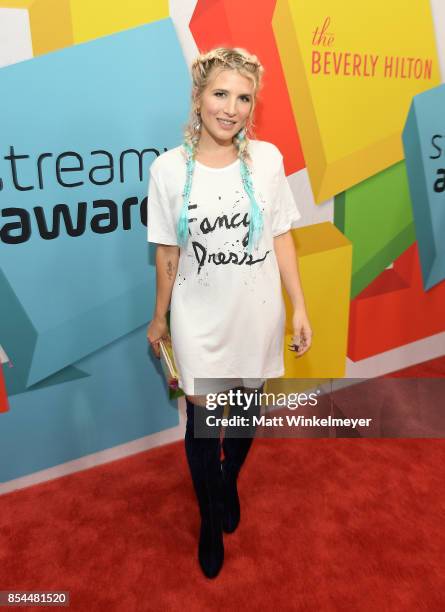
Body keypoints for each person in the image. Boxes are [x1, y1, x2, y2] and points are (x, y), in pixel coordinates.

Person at [146, 47, 312, 579]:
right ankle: (210, 517)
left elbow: (281, 233)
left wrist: (299, 306)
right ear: (198, 98)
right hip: (197, 318)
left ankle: (226, 479)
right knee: (201, 422)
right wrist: (159, 317)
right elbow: (168, 252)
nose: (231, 108)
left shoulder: (267, 160)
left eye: (243, 97)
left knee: (242, 418)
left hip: (255, 311)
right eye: (220, 94)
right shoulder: (167, 170)